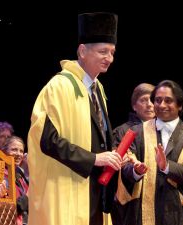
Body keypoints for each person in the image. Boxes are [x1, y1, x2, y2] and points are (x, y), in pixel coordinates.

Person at [27, 12, 122, 225]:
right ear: (82, 51)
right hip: (66, 189)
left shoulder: (98, 90)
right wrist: (95, 159)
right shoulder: (59, 86)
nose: (109, 58)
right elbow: (47, 140)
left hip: (95, 192)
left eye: (112, 52)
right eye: (103, 51)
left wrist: (114, 155)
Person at [116, 80, 183, 225]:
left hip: (176, 214)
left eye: (168, 101)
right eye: (158, 100)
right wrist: (135, 171)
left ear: (180, 105)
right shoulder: (136, 132)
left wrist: (167, 167)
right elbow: (123, 168)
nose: (162, 105)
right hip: (139, 214)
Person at [111, 83, 155, 225]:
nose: (149, 105)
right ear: (134, 106)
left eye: (153, 100)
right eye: (143, 100)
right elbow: (121, 165)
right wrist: (136, 171)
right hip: (132, 204)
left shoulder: (166, 133)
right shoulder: (123, 132)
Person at [2, 136, 29, 225]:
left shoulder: (20, 175)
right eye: (14, 150)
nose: (18, 154)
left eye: (21, 151)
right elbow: (7, 210)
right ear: (4, 152)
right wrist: (28, 196)